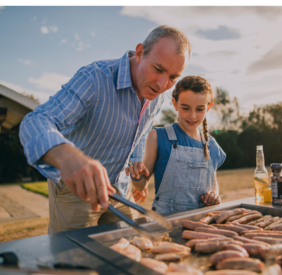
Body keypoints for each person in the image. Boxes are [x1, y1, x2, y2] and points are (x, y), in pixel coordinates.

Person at [19, 25, 191, 233]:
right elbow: (36, 120)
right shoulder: (94, 78)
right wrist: (67, 157)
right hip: (78, 192)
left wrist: (136, 163)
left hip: (121, 190)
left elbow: (142, 131)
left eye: (173, 77)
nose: (163, 84)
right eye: (158, 69)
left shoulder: (159, 93)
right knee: (77, 261)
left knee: (136, 248)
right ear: (139, 53)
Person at [126, 76, 226, 214]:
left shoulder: (211, 145)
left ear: (208, 107)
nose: (192, 116)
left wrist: (214, 194)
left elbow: (213, 182)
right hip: (167, 221)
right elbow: (141, 184)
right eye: (185, 108)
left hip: (203, 222)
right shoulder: (157, 136)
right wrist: (137, 176)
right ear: (175, 104)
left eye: (199, 109)